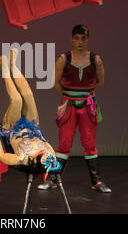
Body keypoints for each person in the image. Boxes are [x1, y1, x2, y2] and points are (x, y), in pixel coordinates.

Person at [38, 24, 111, 193]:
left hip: (88, 106)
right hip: (69, 106)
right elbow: (55, 82)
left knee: (89, 143)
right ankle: (53, 180)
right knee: (64, 144)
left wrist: (86, 94)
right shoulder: (64, 59)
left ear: (88, 40)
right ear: (72, 39)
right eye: (77, 38)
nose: (80, 41)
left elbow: (101, 81)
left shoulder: (95, 60)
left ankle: (96, 181)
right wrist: (69, 95)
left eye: (83, 38)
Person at [0, 49, 61, 176]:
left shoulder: (22, 159)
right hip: (32, 127)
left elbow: (1, 156)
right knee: (28, 95)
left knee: (17, 100)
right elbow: (48, 146)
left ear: (35, 161)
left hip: (12, 129)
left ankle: (5, 70)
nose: (45, 153)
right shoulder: (51, 157)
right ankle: (13, 66)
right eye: (47, 155)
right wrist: (45, 142)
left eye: (43, 156)